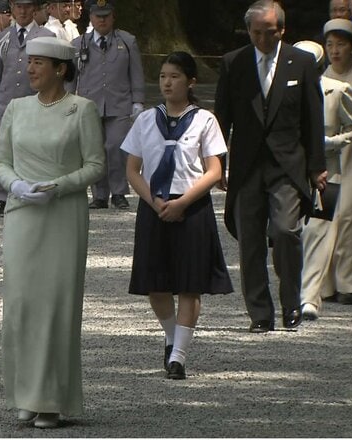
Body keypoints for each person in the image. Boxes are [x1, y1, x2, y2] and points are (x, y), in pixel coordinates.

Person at [0, 36, 104, 429]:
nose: (31, 69)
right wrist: (17, 186)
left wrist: (58, 186)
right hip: (22, 213)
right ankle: (26, 395)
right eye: (30, 62)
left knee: (55, 305)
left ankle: (52, 398)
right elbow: (0, 160)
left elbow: (94, 165)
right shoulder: (16, 109)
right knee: (20, 305)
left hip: (62, 213)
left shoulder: (81, 110)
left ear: (61, 69)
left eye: (40, 63)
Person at [214, 0, 326, 333]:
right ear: (248, 31)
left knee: (285, 231)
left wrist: (316, 167)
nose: (263, 39)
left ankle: (291, 302)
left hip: (288, 164)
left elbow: (313, 118)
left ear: (282, 30)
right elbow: (221, 118)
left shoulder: (301, 63)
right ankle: (260, 313)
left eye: (270, 32)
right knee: (249, 239)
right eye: (257, 32)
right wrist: (217, 163)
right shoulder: (234, 63)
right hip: (247, 165)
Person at [122, 51, 233, 380]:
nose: (167, 83)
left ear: (190, 81)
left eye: (174, 76)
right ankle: (171, 336)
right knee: (155, 284)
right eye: (162, 77)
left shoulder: (204, 120)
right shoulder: (145, 120)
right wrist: (154, 202)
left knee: (189, 283)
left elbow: (214, 171)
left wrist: (183, 202)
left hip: (191, 205)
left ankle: (179, 357)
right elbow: (132, 169)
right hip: (154, 204)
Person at [295, 38, 352, 320]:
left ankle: (309, 297)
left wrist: (331, 142)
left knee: (318, 231)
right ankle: (296, 288)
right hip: (291, 169)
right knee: (288, 231)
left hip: (327, 169)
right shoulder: (283, 94)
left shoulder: (336, 90)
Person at [68, 0, 143, 210]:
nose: (102, 19)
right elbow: (71, 77)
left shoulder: (127, 41)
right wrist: (66, 101)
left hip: (119, 103)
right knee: (94, 150)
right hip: (89, 105)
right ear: (90, 17)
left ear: (113, 16)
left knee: (116, 146)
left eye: (106, 15)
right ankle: (100, 194)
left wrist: (138, 100)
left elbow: (136, 72)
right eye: (98, 15)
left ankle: (119, 192)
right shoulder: (78, 43)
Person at [317, 19, 352, 306]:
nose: (335, 51)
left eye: (341, 45)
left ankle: (349, 282)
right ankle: (324, 285)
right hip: (327, 156)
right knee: (325, 216)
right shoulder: (320, 78)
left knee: (349, 214)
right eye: (330, 45)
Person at [0, 0, 53, 215]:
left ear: (34, 9)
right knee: (3, 149)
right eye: (18, 7)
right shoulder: (2, 37)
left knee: (33, 147)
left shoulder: (46, 36)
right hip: (7, 101)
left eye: (26, 7)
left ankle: (32, 189)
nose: (22, 11)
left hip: (34, 100)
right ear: (12, 9)